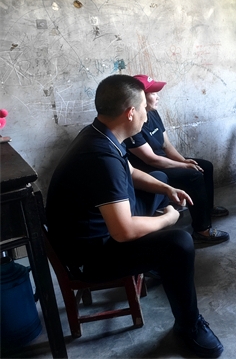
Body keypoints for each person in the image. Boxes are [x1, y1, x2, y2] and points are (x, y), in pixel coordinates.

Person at [45, 75, 223, 358]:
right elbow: (123, 231)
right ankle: (189, 326)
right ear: (130, 112)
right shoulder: (100, 157)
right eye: (143, 108)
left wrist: (166, 189)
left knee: (160, 178)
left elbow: (130, 171)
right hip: (91, 254)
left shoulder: (99, 133)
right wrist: (168, 219)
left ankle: (157, 260)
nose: (146, 114)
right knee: (179, 243)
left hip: (103, 224)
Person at [124, 74, 229, 245]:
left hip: (164, 161)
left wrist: (184, 162)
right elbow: (151, 160)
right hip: (152, 169)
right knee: (193, 176)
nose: (157, 97)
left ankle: (206, 209)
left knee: (205, 166)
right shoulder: (133, 123)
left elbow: (166, 145)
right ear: (140, 97)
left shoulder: (153, 114)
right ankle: (202, 230)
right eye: (153, 93)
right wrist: (183, 166)